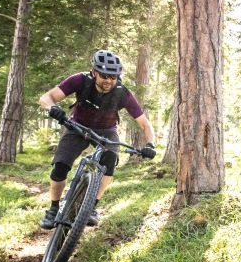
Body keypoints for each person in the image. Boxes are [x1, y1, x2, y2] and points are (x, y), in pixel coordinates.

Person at [38, 49, 156, 229]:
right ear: (94, 72)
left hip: (106, 131)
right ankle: (53, 209)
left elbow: (145, 125)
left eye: (113, 77)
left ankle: (91, 207)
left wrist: (150, 144)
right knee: (60, 165)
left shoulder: (122, 93)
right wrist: (52, 108)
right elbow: (47, 97)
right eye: (104, 75)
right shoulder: (80, 80)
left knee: (109, 162)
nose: (109, 80)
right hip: (77, 127)